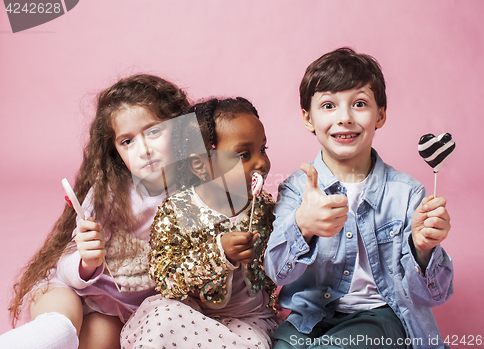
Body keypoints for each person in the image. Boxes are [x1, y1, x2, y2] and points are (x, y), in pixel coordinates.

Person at [264, 47, 453, 349]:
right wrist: (303, 225)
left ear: (380, 115)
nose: (345, 118)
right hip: (309, 318)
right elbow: (277, 272)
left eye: (360, 104)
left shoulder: (407, 194)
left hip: (379, 317)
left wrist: (423, 249)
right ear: (308, 118)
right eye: (328, 105)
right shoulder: (298, 189)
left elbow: (432, 295)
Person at [0, 74, 190, 349]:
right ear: (115, 149)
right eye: (127, 141)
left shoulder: (197, 189)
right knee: (61, 326)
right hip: (69, 287)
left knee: (102, 340)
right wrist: (86, 261)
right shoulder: (111, 193)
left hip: (119, 309)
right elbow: (66, 261)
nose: (144, 150)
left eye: (154, 131)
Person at [120, 97, 280, 349]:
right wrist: (219, 254)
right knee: (163, 320)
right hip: (191, 315)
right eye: (244, 154)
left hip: (248, 319)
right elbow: (165, 278)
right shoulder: (178, 211)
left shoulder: (264, 208)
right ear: (201, 166)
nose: (261, 163)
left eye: (263, 149)